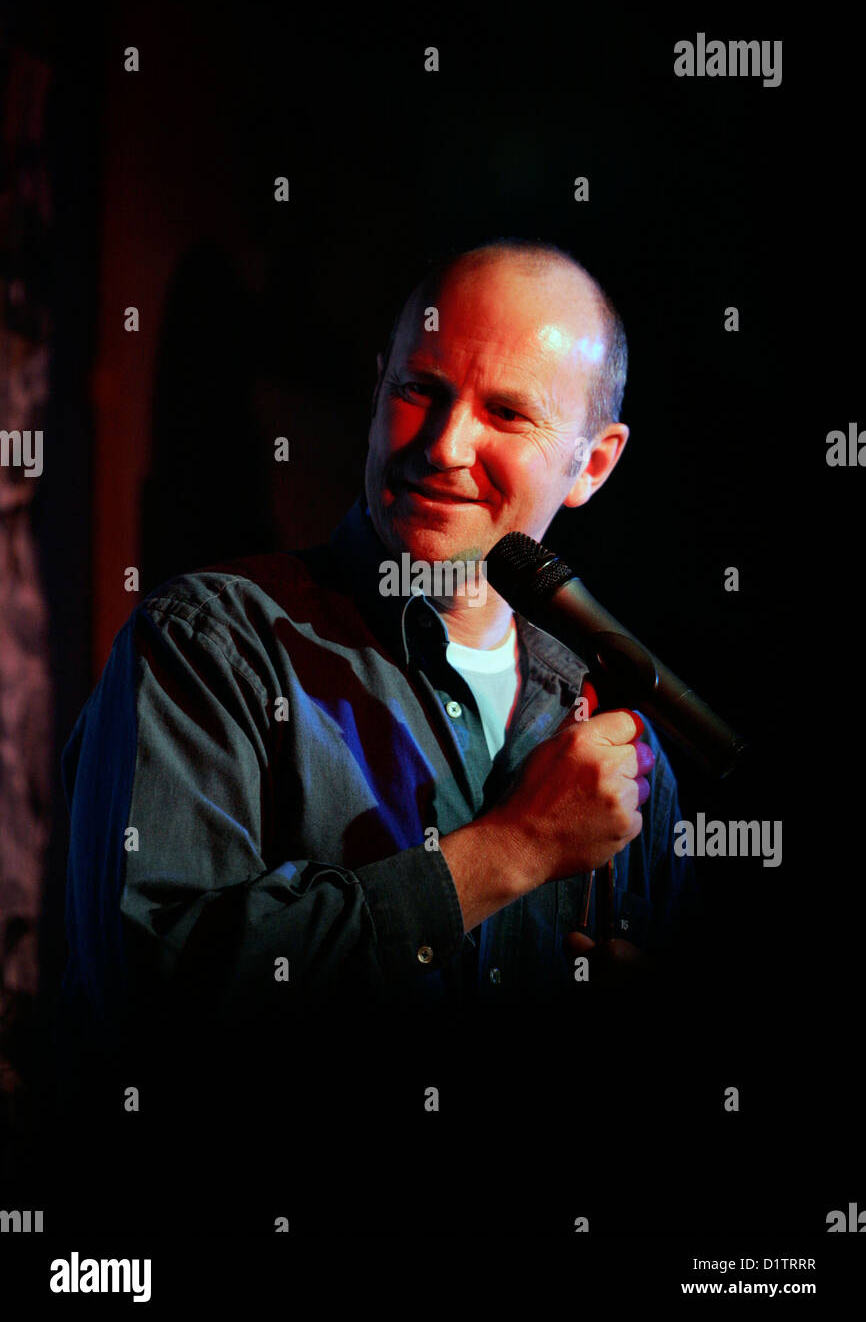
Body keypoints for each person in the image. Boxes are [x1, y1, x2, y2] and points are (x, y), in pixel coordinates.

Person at [59, 239, 699, 1077]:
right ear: (376, 390)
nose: (442, 444)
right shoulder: (208, 642)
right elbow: (146, 999)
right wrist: (511, 850)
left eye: (506, 413)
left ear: (594, 462)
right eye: (419, 390)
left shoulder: (609, 731)